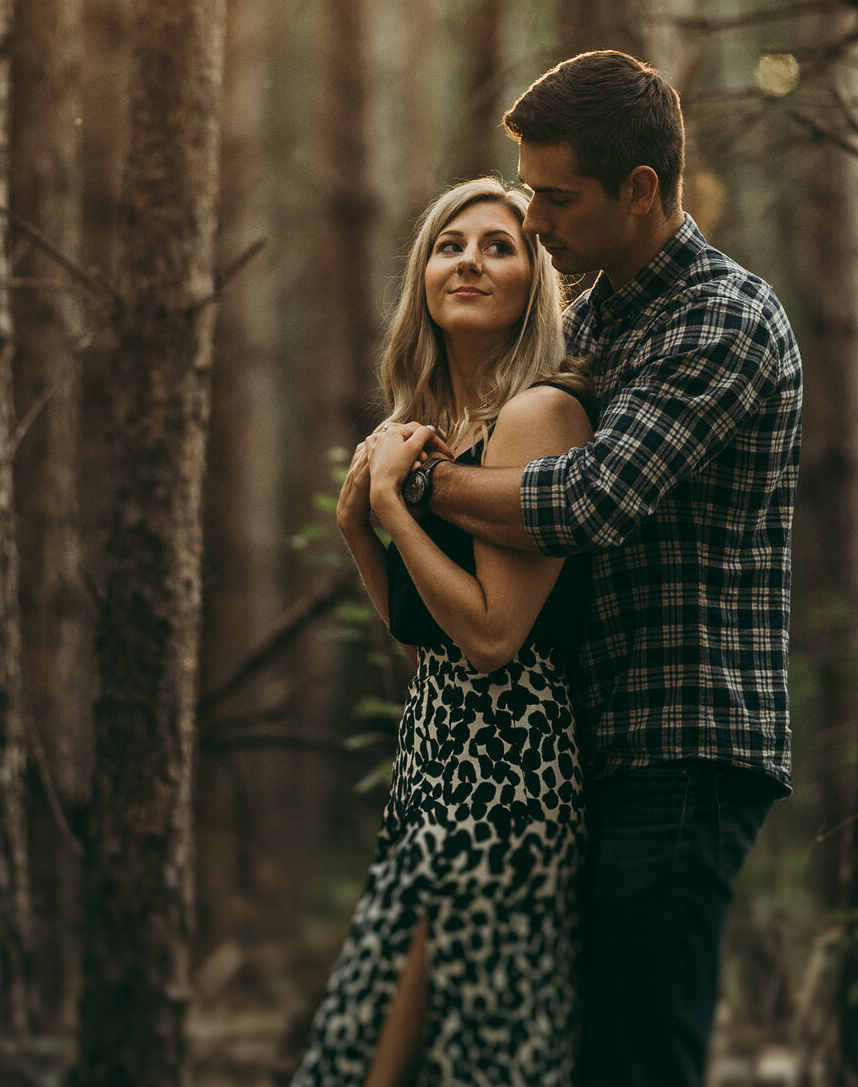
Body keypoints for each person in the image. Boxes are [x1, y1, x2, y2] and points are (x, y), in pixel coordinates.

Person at [374, 50, 802, 1087]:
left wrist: (418, 482)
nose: (533, 218)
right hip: (587, 753)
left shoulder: (720, 318)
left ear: (640, 190)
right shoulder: (599, 312)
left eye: (555, 196)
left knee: (636, 1051)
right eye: (529, 188)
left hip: (684, 747)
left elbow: (583, 501)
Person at [291, 176, 598, 1086]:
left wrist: (393, 501)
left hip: (510, 774)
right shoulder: (434, 428)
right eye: (448, 243)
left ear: (533, 277)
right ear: (422, 274)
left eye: (497, 244)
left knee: (430, 1043)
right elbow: (432, 634)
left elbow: (496, 638)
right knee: (417, 1039)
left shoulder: (541, 414)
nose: (468, 259)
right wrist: (360, 528)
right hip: (435, 755)